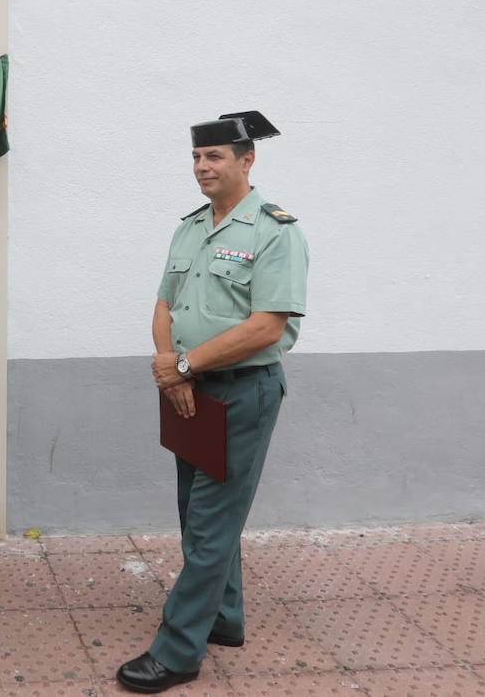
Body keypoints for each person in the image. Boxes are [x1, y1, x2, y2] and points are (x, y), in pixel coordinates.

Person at [117, 111, 310, 693]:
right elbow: (164, 304)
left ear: (247, 161)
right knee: (196, 517)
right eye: (197, 158)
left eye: (215, 157)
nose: (202, 167)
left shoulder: (276, 231)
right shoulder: (191, 227)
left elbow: (266, 328)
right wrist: (170, 370)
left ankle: (178, 652)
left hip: (242, 392)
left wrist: (183, 364)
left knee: (210, 524)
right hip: (188, 392)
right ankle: (223, 620)